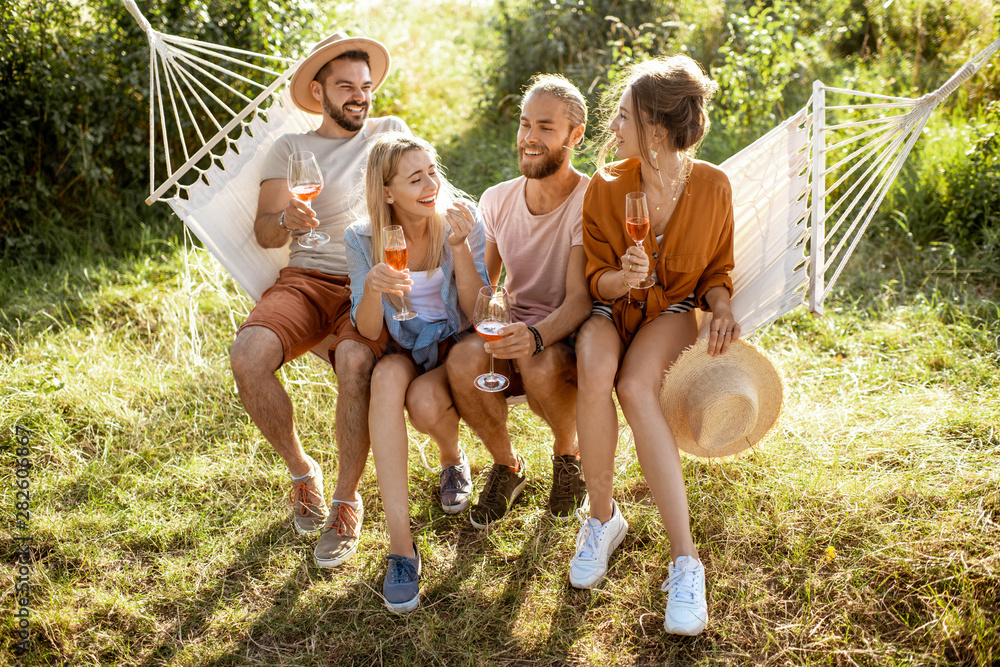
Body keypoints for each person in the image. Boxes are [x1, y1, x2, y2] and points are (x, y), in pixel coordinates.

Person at [569, 56, 740, 637]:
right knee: (595, 369)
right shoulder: (607, 185)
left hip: (671, 310)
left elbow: (716, 270)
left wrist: (721, 306)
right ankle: (602, 519)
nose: (612, 128)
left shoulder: (714, 186)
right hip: (609, 308)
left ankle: (685, 561)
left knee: (636, 386)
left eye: (623, 117)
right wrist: (623, 277)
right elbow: (596, 279)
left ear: (657, 130)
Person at [228, 32, 409, 570]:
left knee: (356, 362)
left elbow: (422, 191)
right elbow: (264, 234)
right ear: (319, 91)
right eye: (346, 87)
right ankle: (302, 471)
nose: (359, 96)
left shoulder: (389, 133)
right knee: (248, 356)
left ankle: (345, 503)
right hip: (306, 277)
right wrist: (284, 219)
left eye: (366, 87)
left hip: (369, 278)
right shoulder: (291, 150)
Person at [344, 133, 488, 613]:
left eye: (433, 171)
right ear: (388, 193)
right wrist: (371, 287)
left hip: (455, 340)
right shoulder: (362, 238)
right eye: (415, 178)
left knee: (425, 403)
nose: (432, 184)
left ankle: (452, 458)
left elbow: (475, 312)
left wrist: (462, 247)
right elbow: (366, 328)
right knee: (385, 380)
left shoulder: (461, 217)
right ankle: (402, 549)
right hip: (406, 342)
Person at [445, 74, 592, 528]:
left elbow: (580, 299)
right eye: (525, 124)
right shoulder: (497, 199)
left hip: (563, 330)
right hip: (513, 324)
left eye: (545, 128)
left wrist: (533, 337)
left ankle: (568, 458)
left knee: (540, 363)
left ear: (575, 135)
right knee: (462, 361)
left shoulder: (589, 198)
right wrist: (456, 249)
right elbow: (483, 295)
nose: (529, 138)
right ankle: (507, 465)